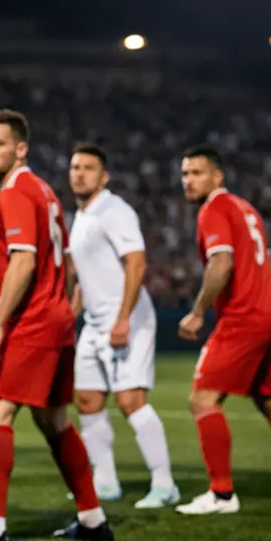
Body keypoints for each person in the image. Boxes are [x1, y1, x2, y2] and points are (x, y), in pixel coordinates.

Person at [0, 109, 112, 541]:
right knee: (53, 419)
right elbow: (63, 260)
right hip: (55, 320)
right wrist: (65, 306)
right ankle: (92, 517)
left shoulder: (16, 193)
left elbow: (24, 260)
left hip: (30, 322)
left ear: (20, 148)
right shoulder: (46, 191)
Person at [175, 145, 271, 514]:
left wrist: (197, 313)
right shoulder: (245, 208)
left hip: (243, 317)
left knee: (203, 399)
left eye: (197, 173)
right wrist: (268, 301)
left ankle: (221, 495)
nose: (188, 181)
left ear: (217, 177)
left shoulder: (215, 209)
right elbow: (265, 260)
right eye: (185, 174)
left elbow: (221, 264)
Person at [66, 143, 179, 508]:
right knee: (87, 400)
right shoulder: (81, 216)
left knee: (130, 400)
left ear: (104, 176)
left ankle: (164, 485)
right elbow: (84, 276)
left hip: (125, 318)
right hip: (94, 322)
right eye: (75, 167)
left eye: (88, 168)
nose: (79, 173)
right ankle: (106, 481)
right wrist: (72, 312)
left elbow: (136, 263)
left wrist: (123, 318)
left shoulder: (114, 210)